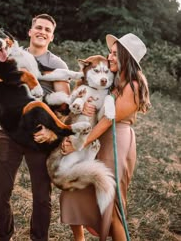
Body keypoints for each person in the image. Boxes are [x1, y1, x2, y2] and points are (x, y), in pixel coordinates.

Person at [0, 14, 70, 241]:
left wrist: (52, 131)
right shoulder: (10, 53)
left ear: (52, 36)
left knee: (41, 197)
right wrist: (14, 77)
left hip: (39, 132)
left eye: (47, 29)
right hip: (8, 131)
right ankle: (4, 237)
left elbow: (65, 103)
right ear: (29, 31)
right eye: (38, 27)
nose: (42, 32)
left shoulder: (57, 64)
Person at [60, 33, 151, 241]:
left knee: (112, 203)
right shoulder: (113, 81)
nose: (109, 57)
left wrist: (77, 145)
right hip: (100, 139)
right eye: (110, 53)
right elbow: (94, 99)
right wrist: (89, 104)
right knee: (75, 188)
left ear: (126, 58)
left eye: (114, 54)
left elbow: (108, 121)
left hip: (117, 143)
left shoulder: (133, 85)